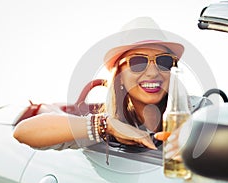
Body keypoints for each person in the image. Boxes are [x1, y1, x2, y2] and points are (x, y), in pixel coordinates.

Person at [13, 17, 209, 154]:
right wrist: (107, 126)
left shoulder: (200, 110)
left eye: (163, 61)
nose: (152, 71)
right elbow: (24, 132)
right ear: (120, 77)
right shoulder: (106, 124)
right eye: (138, 62)